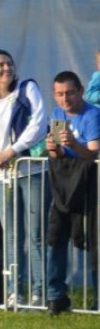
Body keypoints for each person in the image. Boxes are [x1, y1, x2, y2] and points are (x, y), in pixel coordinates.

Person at [0, 49, 49, 309]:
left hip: (32, 171)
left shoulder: (26, 90)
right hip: (1, 176)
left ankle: (39, 292)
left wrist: (11, 152)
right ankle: (16, 292)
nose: (6, 69)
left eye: (10, 63)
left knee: (36, 234)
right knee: (12, 235)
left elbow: (38, 124)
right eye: (0, 65)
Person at [44, 71, 100, 314]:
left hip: (89, 185)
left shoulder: (92, 114)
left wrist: (73, 145)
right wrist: (52, 148)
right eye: (59, 94)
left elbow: (93, 152)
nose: (64, 99)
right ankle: (56, 296)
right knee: (55, 237)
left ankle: (98, 298)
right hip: (64, 184)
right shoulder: (57, 114)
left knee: (94, 242)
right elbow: (58, 154)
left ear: (80, 91)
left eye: (69, 93)